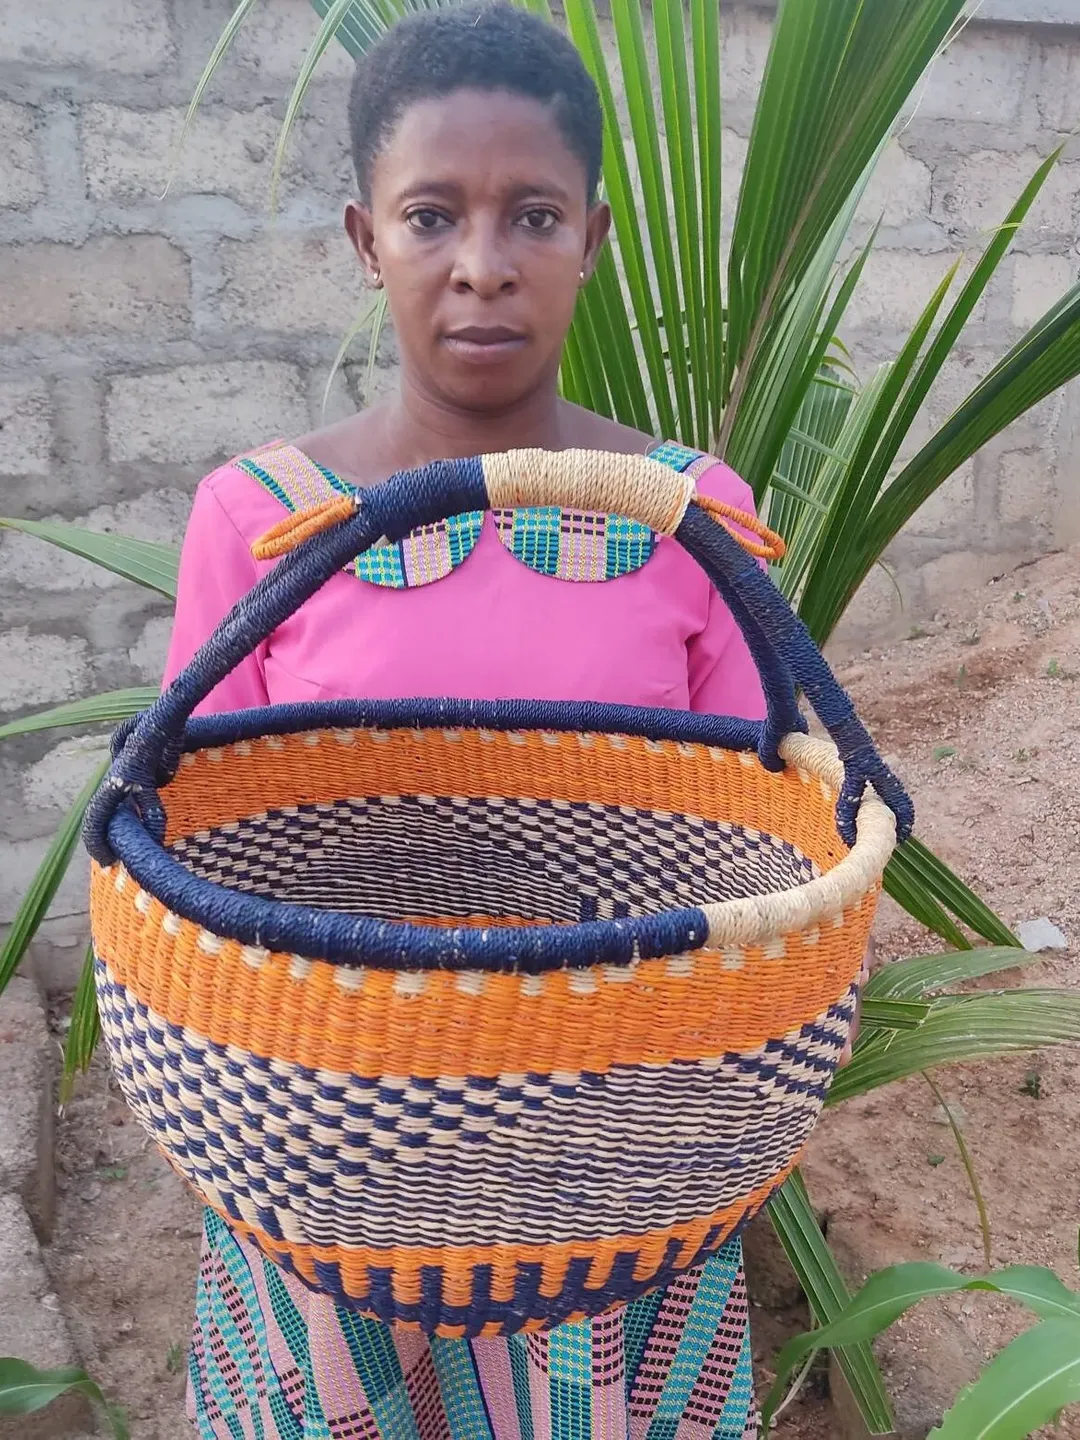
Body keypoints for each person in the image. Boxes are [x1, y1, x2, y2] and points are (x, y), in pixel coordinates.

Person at [165, 7, 772, 1435]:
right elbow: (190, 859)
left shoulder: (695, 517)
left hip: (623, 1164)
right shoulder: (264, 525)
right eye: (432, 215)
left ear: (593, 239)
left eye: (533, 216)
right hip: (334, 1165)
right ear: (365, 239)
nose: (483, 263)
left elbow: (769, 854)